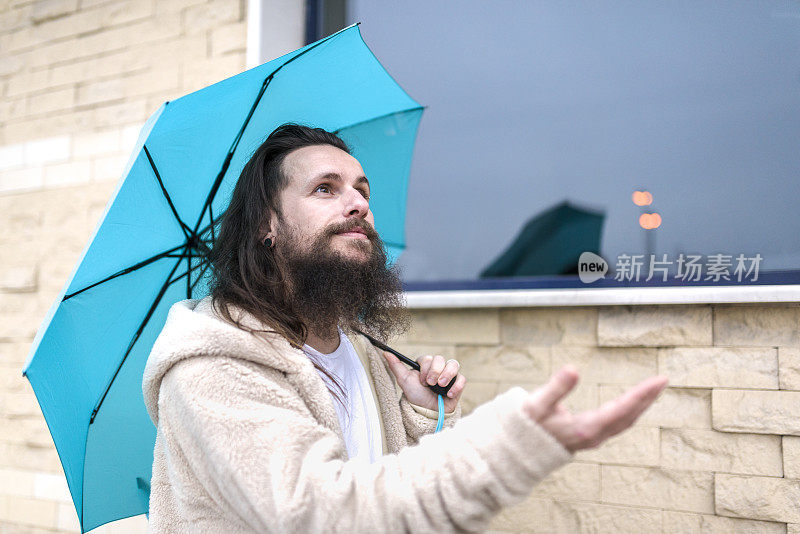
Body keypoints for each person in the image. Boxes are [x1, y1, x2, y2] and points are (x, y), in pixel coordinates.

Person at [142, 123, 668, 533]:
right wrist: (504, 450)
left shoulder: (366, 352)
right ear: (267, 225)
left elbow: (393, 495)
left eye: (361, 189)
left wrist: (421, 412)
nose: (359, 204)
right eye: (325, 189)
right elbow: (317, 515)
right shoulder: (212, 365)